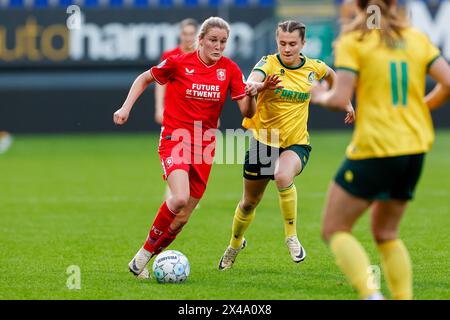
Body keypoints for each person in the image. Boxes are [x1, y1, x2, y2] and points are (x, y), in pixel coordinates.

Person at [113, 16, 278, 279]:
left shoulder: (230, 70)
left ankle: (143, 261)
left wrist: (255, 93)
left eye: (223, 42)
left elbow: (247, 112)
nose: (218, 46)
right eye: (213, 40)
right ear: (200, 40)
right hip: (175, 139)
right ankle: (143, 257)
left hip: (205, 145)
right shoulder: (179, 62)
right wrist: (125, 107)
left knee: (182, 218)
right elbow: (144, 78)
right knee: (178, 198)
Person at [311, 0, 450, 299]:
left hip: (377, 147)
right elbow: (448, 82)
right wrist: (418, 109)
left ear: (360, 7)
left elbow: (339, 99)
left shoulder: (355, 41)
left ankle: (371, 295)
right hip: (414, 149)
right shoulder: (415, 37)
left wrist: (319, 95)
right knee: (386, 234)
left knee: (334, 228)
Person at [218, 20, 354, 270]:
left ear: (303, 44)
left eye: (293, 44)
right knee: (249, 203)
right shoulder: (268, 63)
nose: (287, 48)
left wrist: (345, 102)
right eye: (282, 43)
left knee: (282, 176)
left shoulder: (314, 68)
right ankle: (234, 244)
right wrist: (262, 86)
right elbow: (249, 84)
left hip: (296, 143)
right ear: (276, 41)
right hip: (264, 143)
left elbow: (333, 76)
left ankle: (291, 236)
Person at [154, 18, 199, 204]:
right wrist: (159, 107)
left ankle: (184, 192)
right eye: (185, 33)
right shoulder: (171, 55)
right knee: (176, 154)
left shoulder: (201, 57)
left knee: (194, 157)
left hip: (197, 115)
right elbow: (160, 82)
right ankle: (175, 194)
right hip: (175, 115)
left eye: (191, 34)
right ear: (180, 34)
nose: (188, 38)